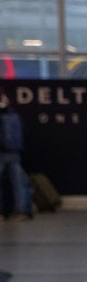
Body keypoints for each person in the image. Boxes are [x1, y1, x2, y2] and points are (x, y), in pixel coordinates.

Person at [0, 90, 32, 222]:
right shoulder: (12, 112)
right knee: (19, 183)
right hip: (14, 151)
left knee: (15, 182)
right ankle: (22, 211)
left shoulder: (5, 114)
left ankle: (5, 212)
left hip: (4, 151)